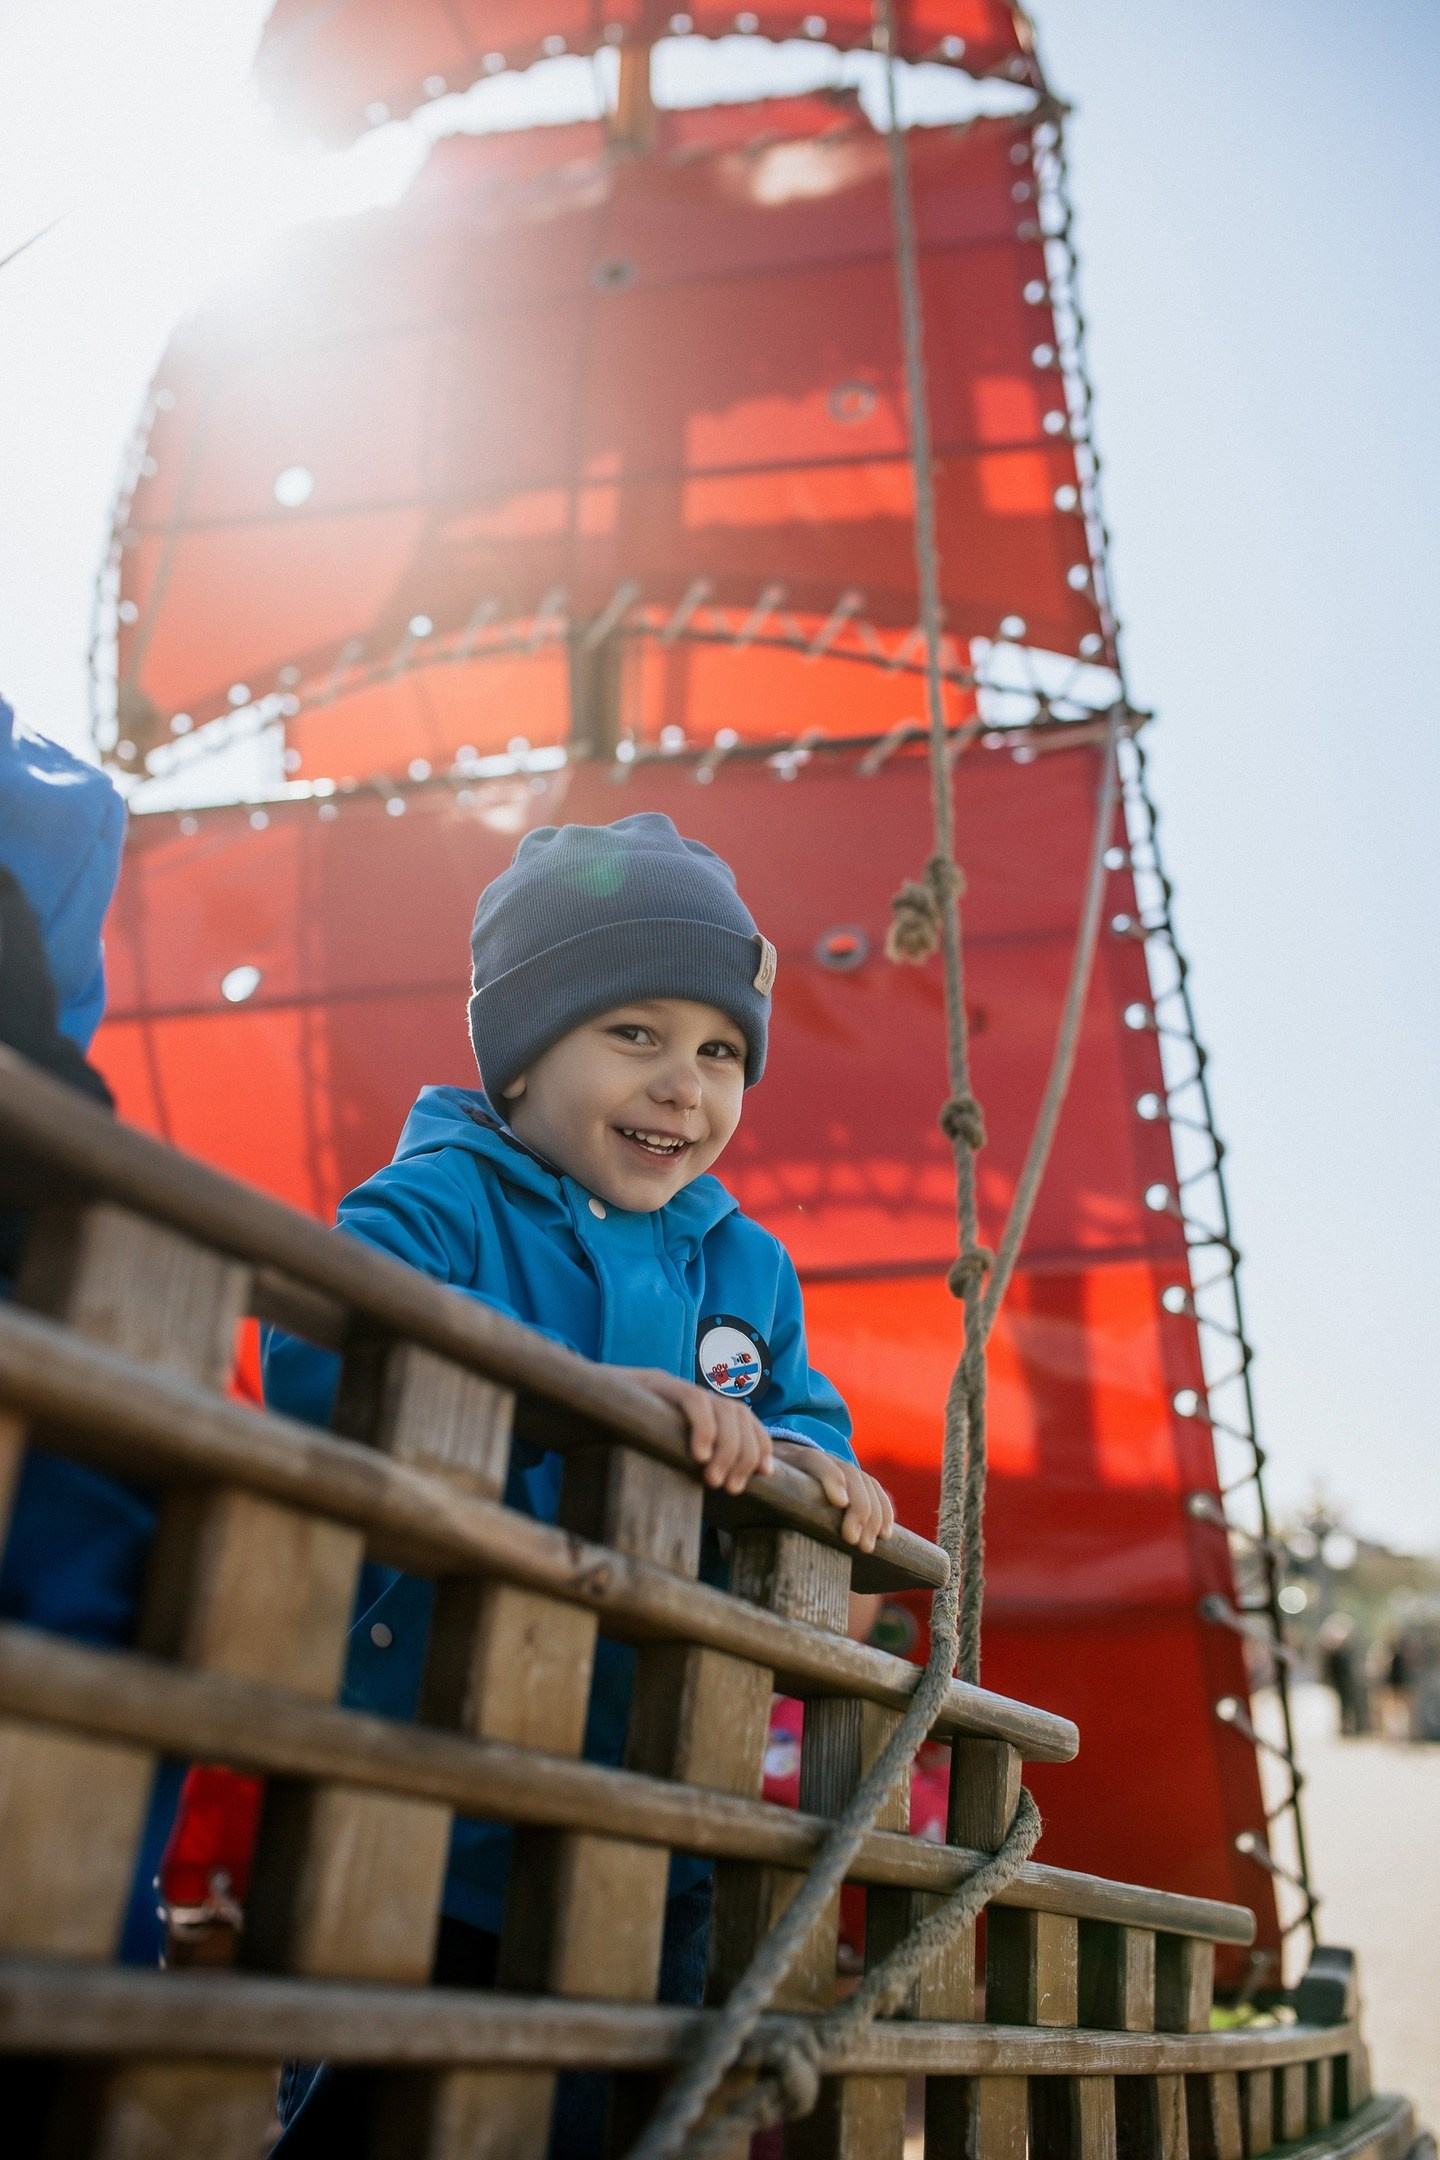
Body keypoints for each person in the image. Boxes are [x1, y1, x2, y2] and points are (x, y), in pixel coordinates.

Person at [264, 813, 892, 2156]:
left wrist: (817, 1475)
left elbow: (801, 1416)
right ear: (523, 1053)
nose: (685, 1086)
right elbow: (321, 1349)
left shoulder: (743, 1266)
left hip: (668, 1798)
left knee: (622, 2111)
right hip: (439, 1786)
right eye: (635, 1034)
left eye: (720, 1051)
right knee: (403, 2106)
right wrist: (577, 1402)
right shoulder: (441, 1202)